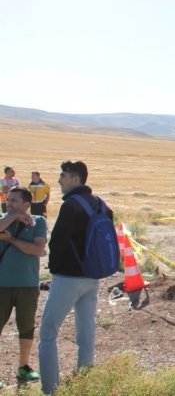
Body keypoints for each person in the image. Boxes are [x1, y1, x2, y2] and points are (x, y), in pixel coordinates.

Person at [39, 160, 114, 395]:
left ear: (76, 179)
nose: (59, 180)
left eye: (63, 175)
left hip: (68, 277)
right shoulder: (101, 205)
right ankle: (84, 380)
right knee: (86, 329)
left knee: (48, 333)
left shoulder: (71, 205)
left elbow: (59, 241)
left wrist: (54, 269)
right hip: (93, 277)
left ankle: (50, 389)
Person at [0, 186, 47, 387]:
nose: (9, 203)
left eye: (14, 201)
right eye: (8, 200)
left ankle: (24, 366)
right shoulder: (3, 219)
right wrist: (14, 215)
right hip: (1, 285)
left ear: (27, 204)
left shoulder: (38, 221)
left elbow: (38, 248)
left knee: (26, 327)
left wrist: (11, 240)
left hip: (28, 284)